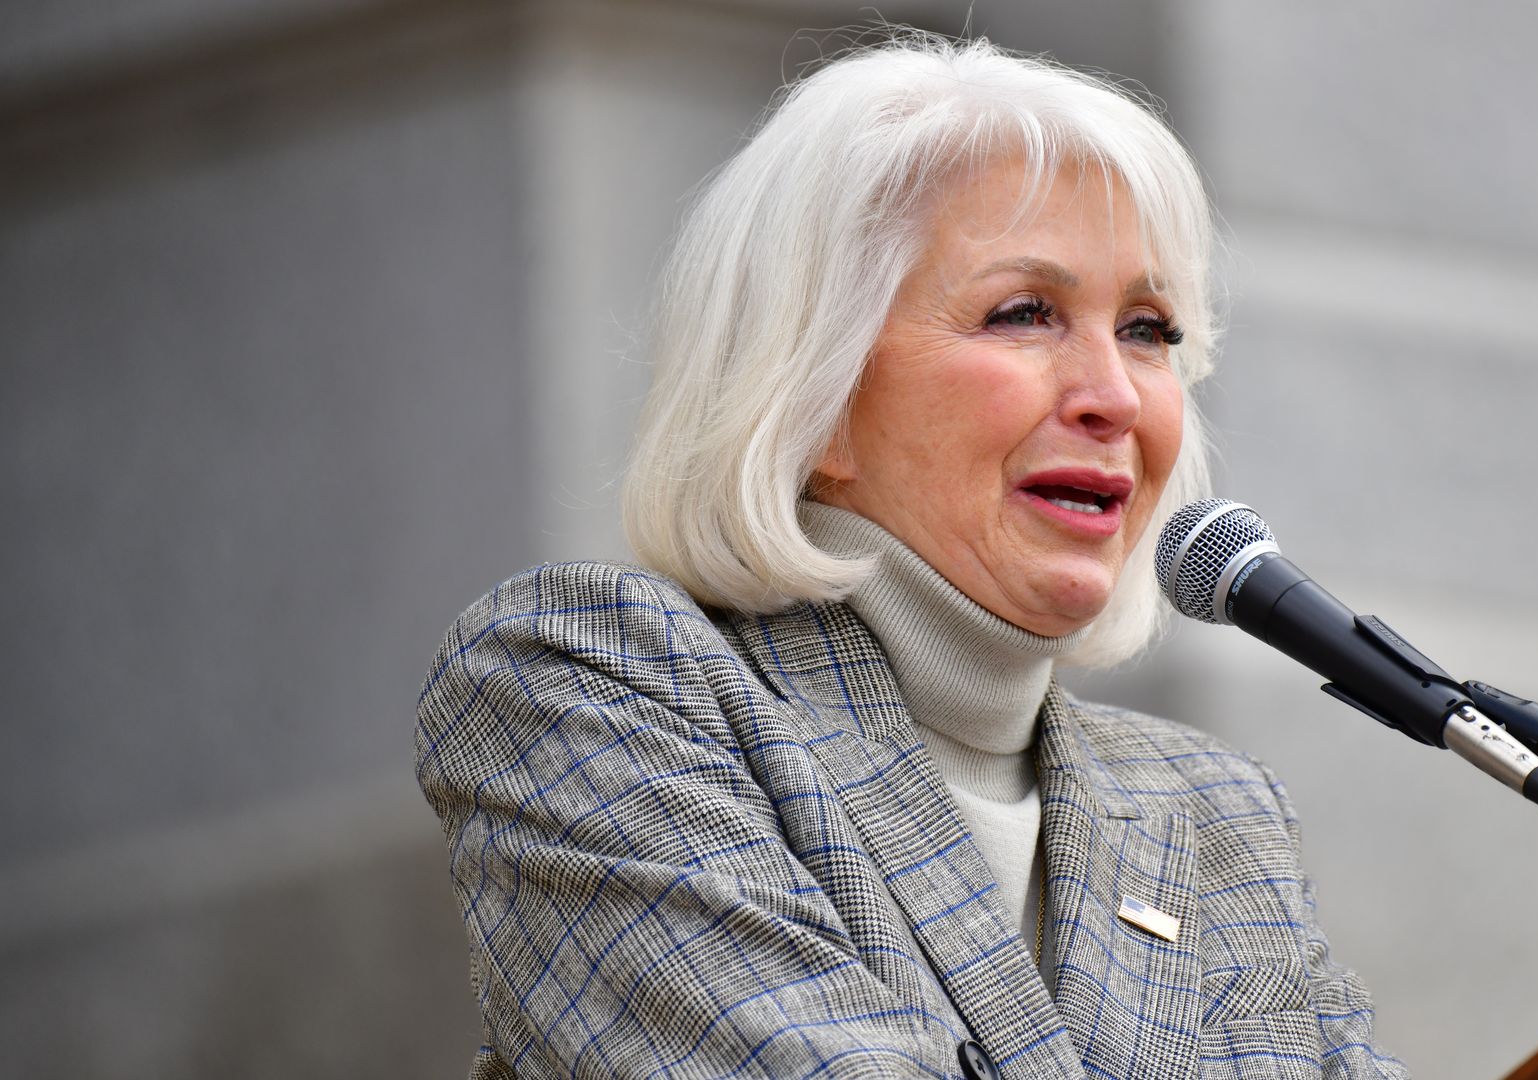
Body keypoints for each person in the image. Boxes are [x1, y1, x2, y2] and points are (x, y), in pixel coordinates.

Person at [416, 33, 1406, 1080]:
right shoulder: (594, 685)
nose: (1115, 395)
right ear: (815, 393)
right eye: (1024, 313)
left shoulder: (1217, 819)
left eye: (1149, 330)